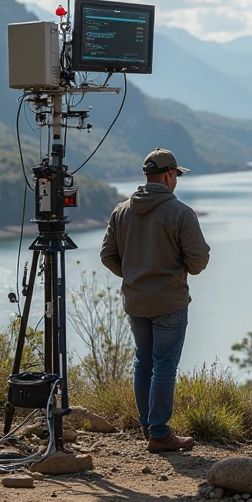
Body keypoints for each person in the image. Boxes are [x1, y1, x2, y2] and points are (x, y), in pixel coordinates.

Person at [100, 148, 211, 453]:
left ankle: (149, 427)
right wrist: (174, 271)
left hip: (136, 302)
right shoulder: (181, 213)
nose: (176, 180)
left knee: (143, 362)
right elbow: (199, 261)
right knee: (164, 365)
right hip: (169, 302)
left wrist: (134, 273)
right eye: (176, 175)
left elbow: (107, 256)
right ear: (168, 175)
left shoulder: (121, 211)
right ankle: (160, 434)